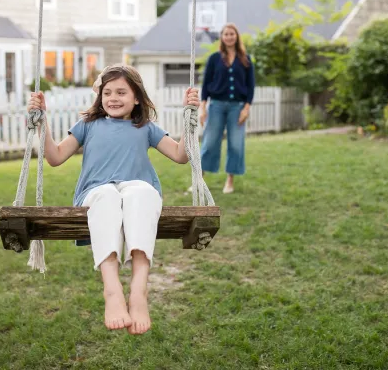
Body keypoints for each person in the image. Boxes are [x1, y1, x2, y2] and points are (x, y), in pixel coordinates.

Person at [27, 64, 200, 335]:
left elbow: (180, 155)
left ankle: (139, 291)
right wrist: (42, 122)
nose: (113, 98)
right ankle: (112, 290)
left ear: (137, 98)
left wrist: (189, 117)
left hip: (137, 188)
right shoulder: (87, 125)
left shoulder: (146, 128)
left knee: (141, 193)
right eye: (107, 92)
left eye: (121, 92)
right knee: (107, 195)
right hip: (96, 191)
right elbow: (55, 157)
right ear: (100, 96)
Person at [199, 23, 255, 194]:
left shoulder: (245, 59)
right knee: (209, 143)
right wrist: (203, 107)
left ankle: (230, 181)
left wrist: (246, 108)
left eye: (232, 34)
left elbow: (250, 85)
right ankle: (199, 181)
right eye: (226, 34)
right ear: (222, 37)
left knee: (236, 145)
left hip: (237, 108)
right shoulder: (214, 59)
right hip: (216, 106)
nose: (229, 37)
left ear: (237, 37)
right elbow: (206, 84)